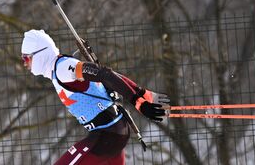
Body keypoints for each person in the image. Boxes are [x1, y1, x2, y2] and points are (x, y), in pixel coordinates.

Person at [21, 29, 170, 165]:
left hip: (106, 135)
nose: (24, 64)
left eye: (26, 59)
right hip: (114, 133)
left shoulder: (62, 68)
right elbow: (107, 75)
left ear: (41, 54)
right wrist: (140, 92)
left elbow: (104, 74)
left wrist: (138, 101)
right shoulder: (57, 70)